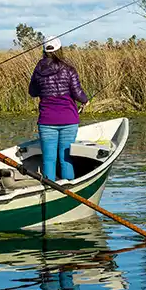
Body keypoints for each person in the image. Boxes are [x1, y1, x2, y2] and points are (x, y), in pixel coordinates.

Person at [27, 37, 88, 182]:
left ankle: (49, 188)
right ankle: (69, 187)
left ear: (44, 51)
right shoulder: (69, 69)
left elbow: (32, 92)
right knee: (65, 158)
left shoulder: (38, 70)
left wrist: (43, 89)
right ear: (60, 50)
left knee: (49, 159)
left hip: (47, 120)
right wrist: (85, 100)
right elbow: (77, 93)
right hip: (69, 119)